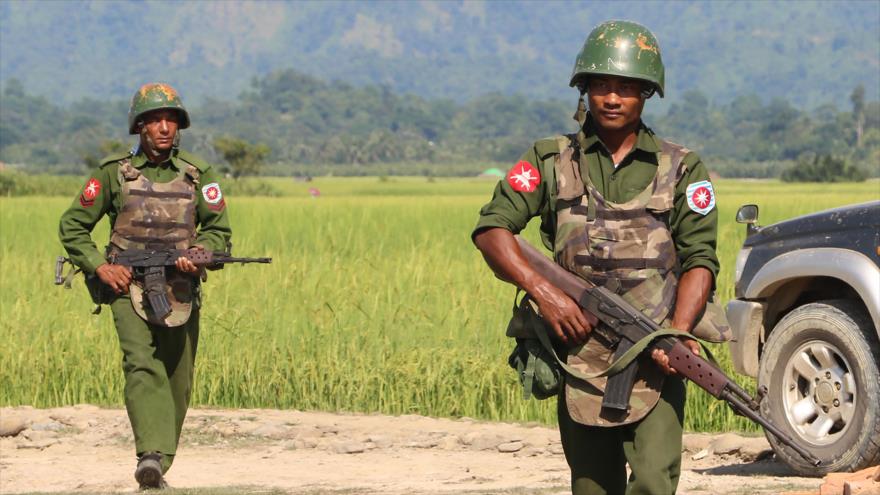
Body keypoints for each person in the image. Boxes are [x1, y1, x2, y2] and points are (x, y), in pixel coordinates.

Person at [472, 20, 725, 495]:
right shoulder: (550, 160)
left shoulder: (683, 168)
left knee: (653, 481)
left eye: (626, 87)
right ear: (583, 91)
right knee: (592, 487)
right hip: (579, 356)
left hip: (655, 352)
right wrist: (546, 294)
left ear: (646, 93)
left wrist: (676, 334)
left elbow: (700, 261)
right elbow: (492, 231)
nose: (612, 98)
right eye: (601, 86)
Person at [59, 83, 231, 489]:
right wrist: (100, 266)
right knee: (141, 363)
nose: (164, 127)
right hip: (125, 286)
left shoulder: (198, 174)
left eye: (171, 119)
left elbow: (219, 231)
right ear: (140, 127)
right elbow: (73, 225)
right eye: (155, 120)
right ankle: (149, 456)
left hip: (180, 288)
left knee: (179, 376)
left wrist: (200, 253)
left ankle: (160, 459)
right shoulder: (112, 174)